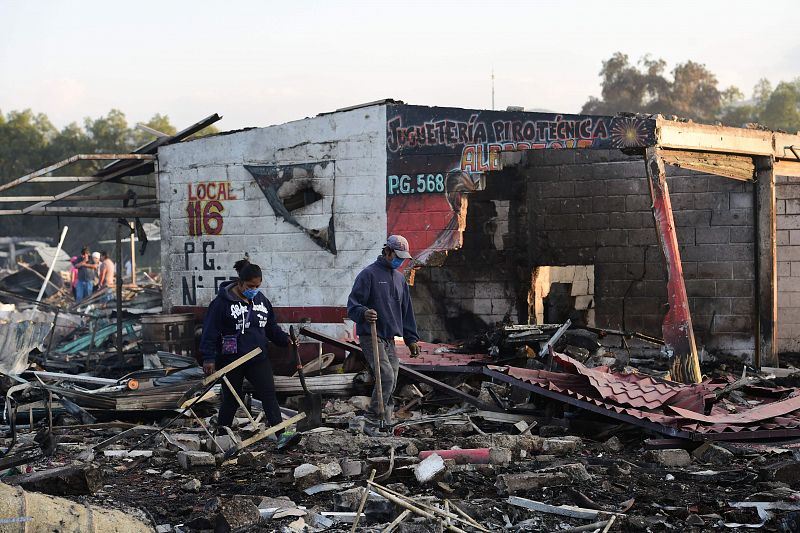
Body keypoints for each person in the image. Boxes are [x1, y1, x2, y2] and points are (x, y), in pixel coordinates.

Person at [199, 258, 301, 450]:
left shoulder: (261, 301)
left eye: (258, 286)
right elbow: (209, 331)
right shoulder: (221, 303)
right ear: (240, 283)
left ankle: (281, 435)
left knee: (269, 395)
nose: (254, 289)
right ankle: (222, 436)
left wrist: (285, 340)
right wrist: (208, 358)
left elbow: (271, 327)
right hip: (231, 359)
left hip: (257, 357)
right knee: (231, 398)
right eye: (250, 286)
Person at [347, 235, 420, 429]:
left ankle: (385, 420)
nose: (400, 261)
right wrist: (364, 313)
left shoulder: (399, 279)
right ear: (387, 251)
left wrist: (411, 338)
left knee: (393, 377)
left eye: (403, 258)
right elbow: (353, 306)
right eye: (397, 256)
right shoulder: (368, 274)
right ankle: (372, 418)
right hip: (371, 335)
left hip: (389, 338)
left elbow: (406, 311)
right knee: (385, 375)